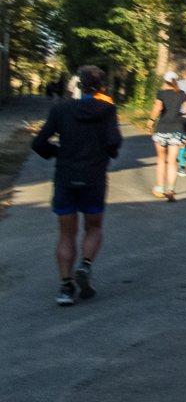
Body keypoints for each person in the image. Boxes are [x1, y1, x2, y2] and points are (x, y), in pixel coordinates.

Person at [30, 65, 122, 306]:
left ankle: (65, 288)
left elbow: (38, 143)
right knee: (93, 228)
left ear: (79, 86)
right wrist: (106, 153)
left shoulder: (61, 110)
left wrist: (58, 153)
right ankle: (86, 265)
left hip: (66, 177)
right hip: (94, 177)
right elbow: (115, 141)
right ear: (101, 87)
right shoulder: (108, 109)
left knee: (66, 233)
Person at [147, 72, 186, 201]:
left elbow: (158, 107)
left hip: (162, 129)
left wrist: (151, 120)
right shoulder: (181, 94)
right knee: (172, 161)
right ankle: (171, 189)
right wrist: (179, 114)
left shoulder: (161, 94)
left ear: (165, 81)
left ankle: (160, 188)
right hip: (177, 130)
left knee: (161, 159)